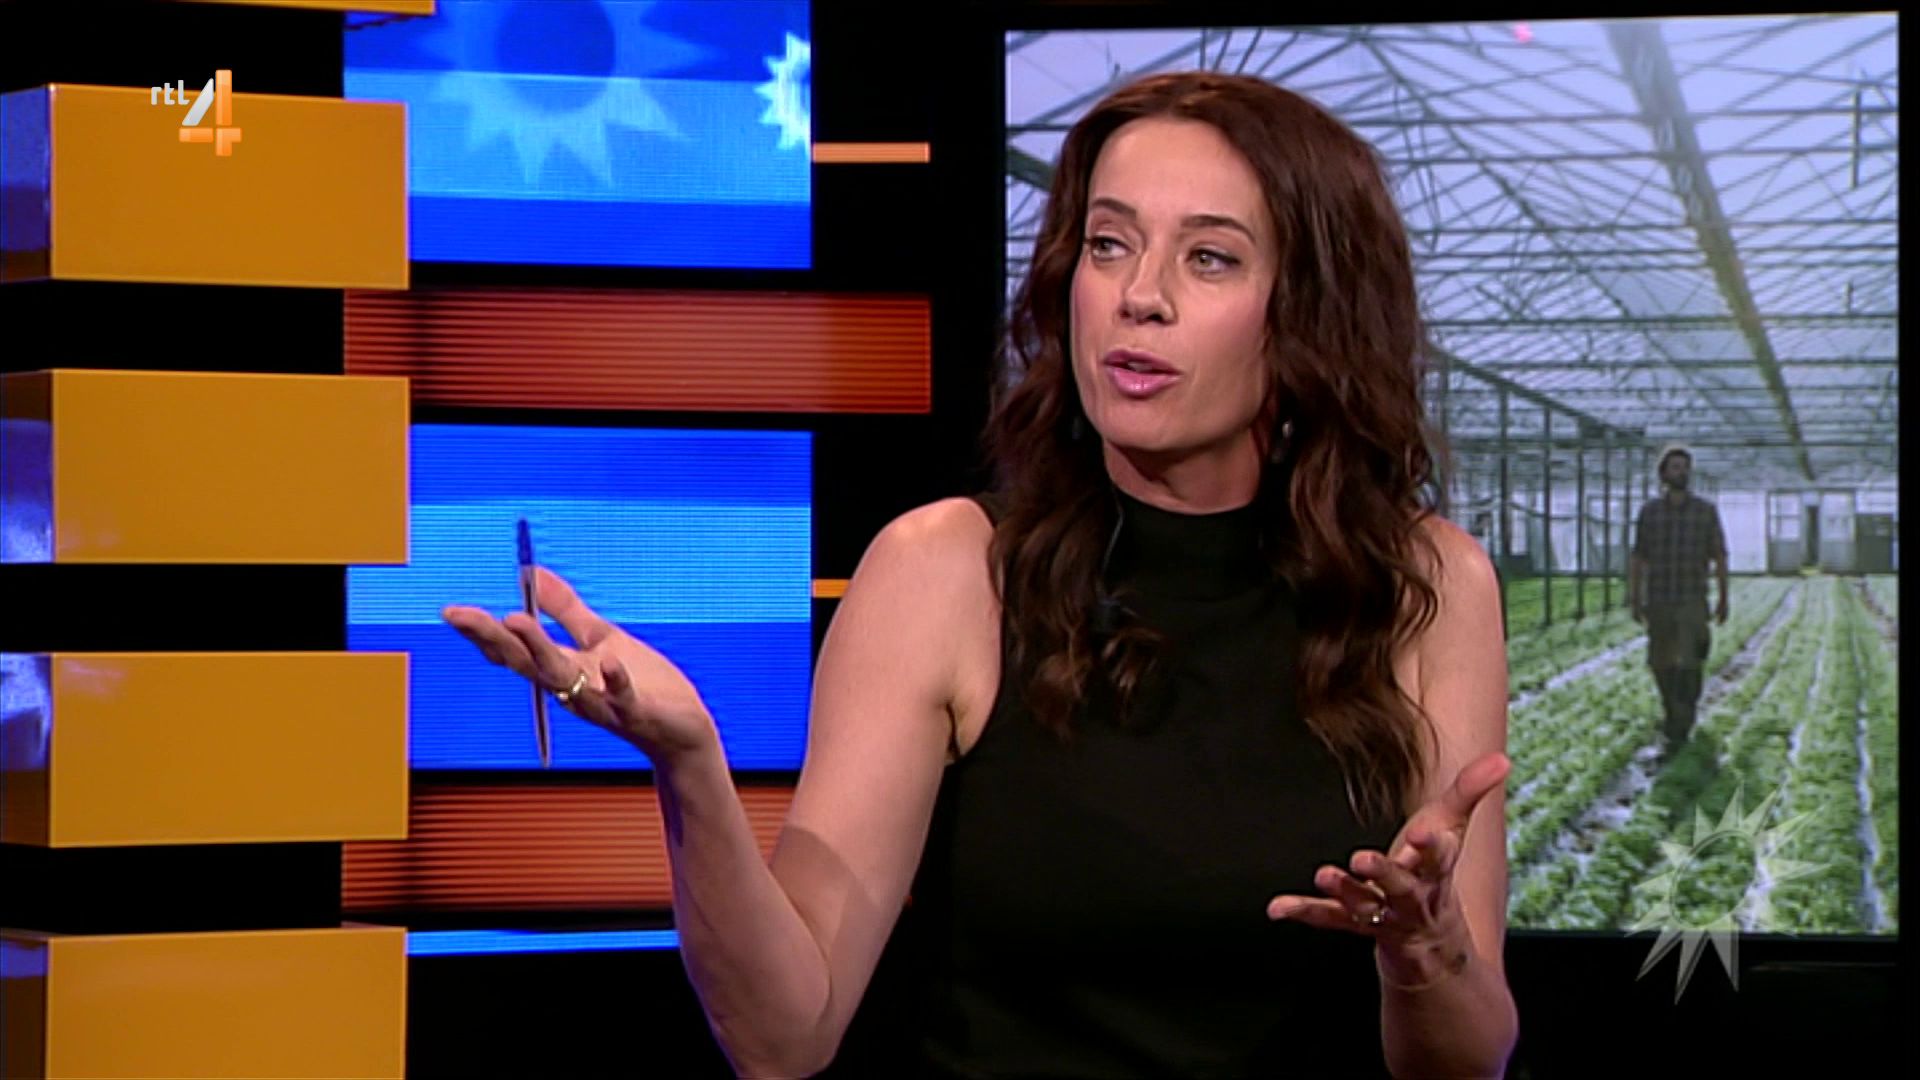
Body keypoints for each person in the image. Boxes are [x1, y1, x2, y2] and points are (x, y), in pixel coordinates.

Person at [443, 71, 1517, 1079]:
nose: (1139, 297)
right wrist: (690, 765)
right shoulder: (948, 571)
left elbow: (1468, 1059)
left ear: (1312, 311)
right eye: (1108, 244)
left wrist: (1427, 953)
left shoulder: (1428, 588)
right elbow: (781, 1038)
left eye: (1209, 259)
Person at [1628, 444, 1730, 762]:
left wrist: (1724, 597)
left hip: (1692, 598)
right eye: (1675, 467)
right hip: (1659, 598)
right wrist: (1635, 597)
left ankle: (1682, 720)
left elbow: (1719, 555)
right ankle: (1674, 713)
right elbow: (1638, 557)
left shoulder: (1705, 511)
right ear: (1663, 474)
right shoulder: (1650, 513)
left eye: (1685, 467)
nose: (1681, 473)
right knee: (1661, 662)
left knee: (1691, 661)